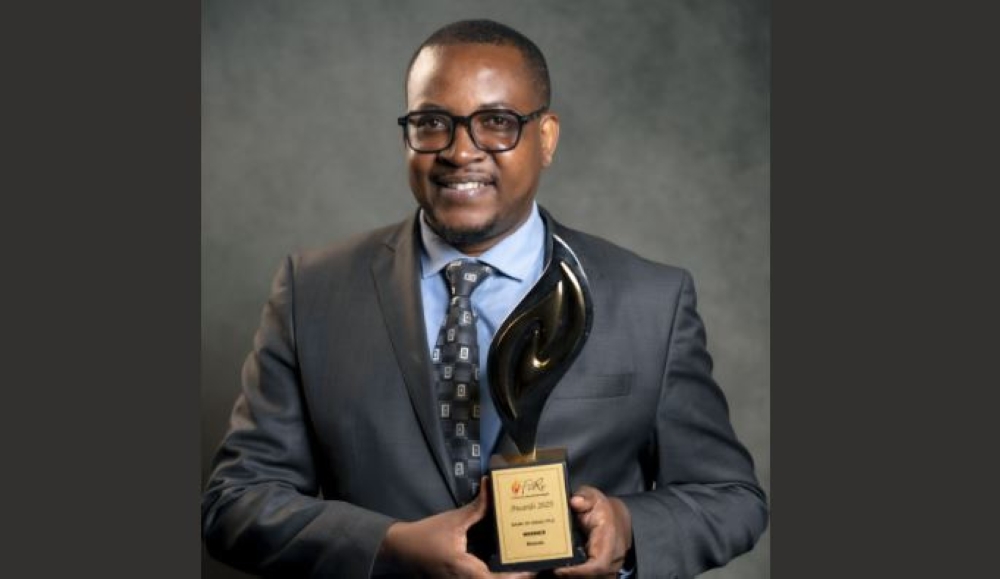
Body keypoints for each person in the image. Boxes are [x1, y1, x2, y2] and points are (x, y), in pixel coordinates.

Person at [202, 19, 768, 579]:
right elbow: (237, 501)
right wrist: (390, 546)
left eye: (496, 122)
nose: (460, 151)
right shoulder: (312, 292)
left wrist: (628, 527)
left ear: (546, 138)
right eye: (432, 123)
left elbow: (729, 496)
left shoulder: (651, 302)